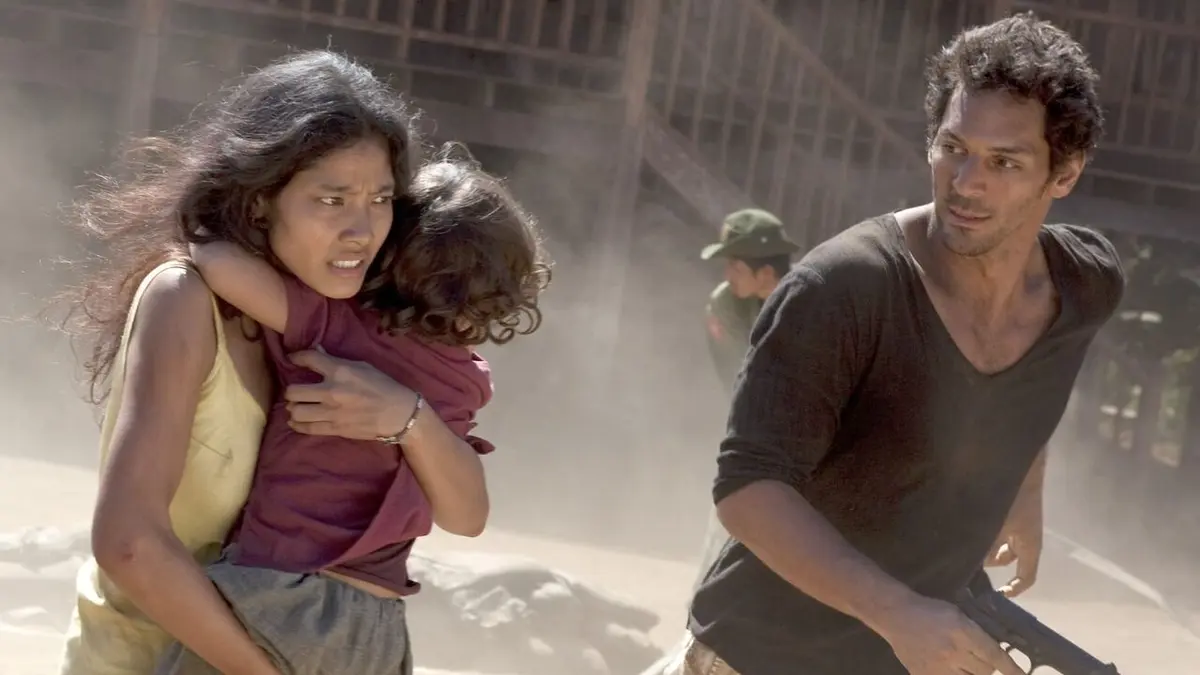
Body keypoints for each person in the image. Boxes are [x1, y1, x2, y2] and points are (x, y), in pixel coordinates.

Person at [652, 13, 1123, 675]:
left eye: (1004, 161)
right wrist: (898, 612)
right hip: (760, 656)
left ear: (1064, 173)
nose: (966, 181)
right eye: (953, 147)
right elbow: (748, 487)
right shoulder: (844, 287)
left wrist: (1025, 486)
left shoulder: (1084, 284)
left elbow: (1037, 376)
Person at [54, 51, 477, 675]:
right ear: (260, 201)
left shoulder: (353, 319)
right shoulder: (185, 298)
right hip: (143, 659)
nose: (363, 230)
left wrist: (408, 417)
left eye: (381, 199)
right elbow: (129, 544)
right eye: (332, 200)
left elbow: (466, 516)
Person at [155, 145, 549, 675]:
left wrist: (222, 209)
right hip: (376, 626)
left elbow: (218, 265)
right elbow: (467, 518)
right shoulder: (465, 381)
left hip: (279, 600)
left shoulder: (336, 327)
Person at [700, 208, 799, 392]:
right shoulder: (725, 304)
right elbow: (735, 377)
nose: (727, 275)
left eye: (736, 268)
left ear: (766, 273)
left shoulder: (814, 303)